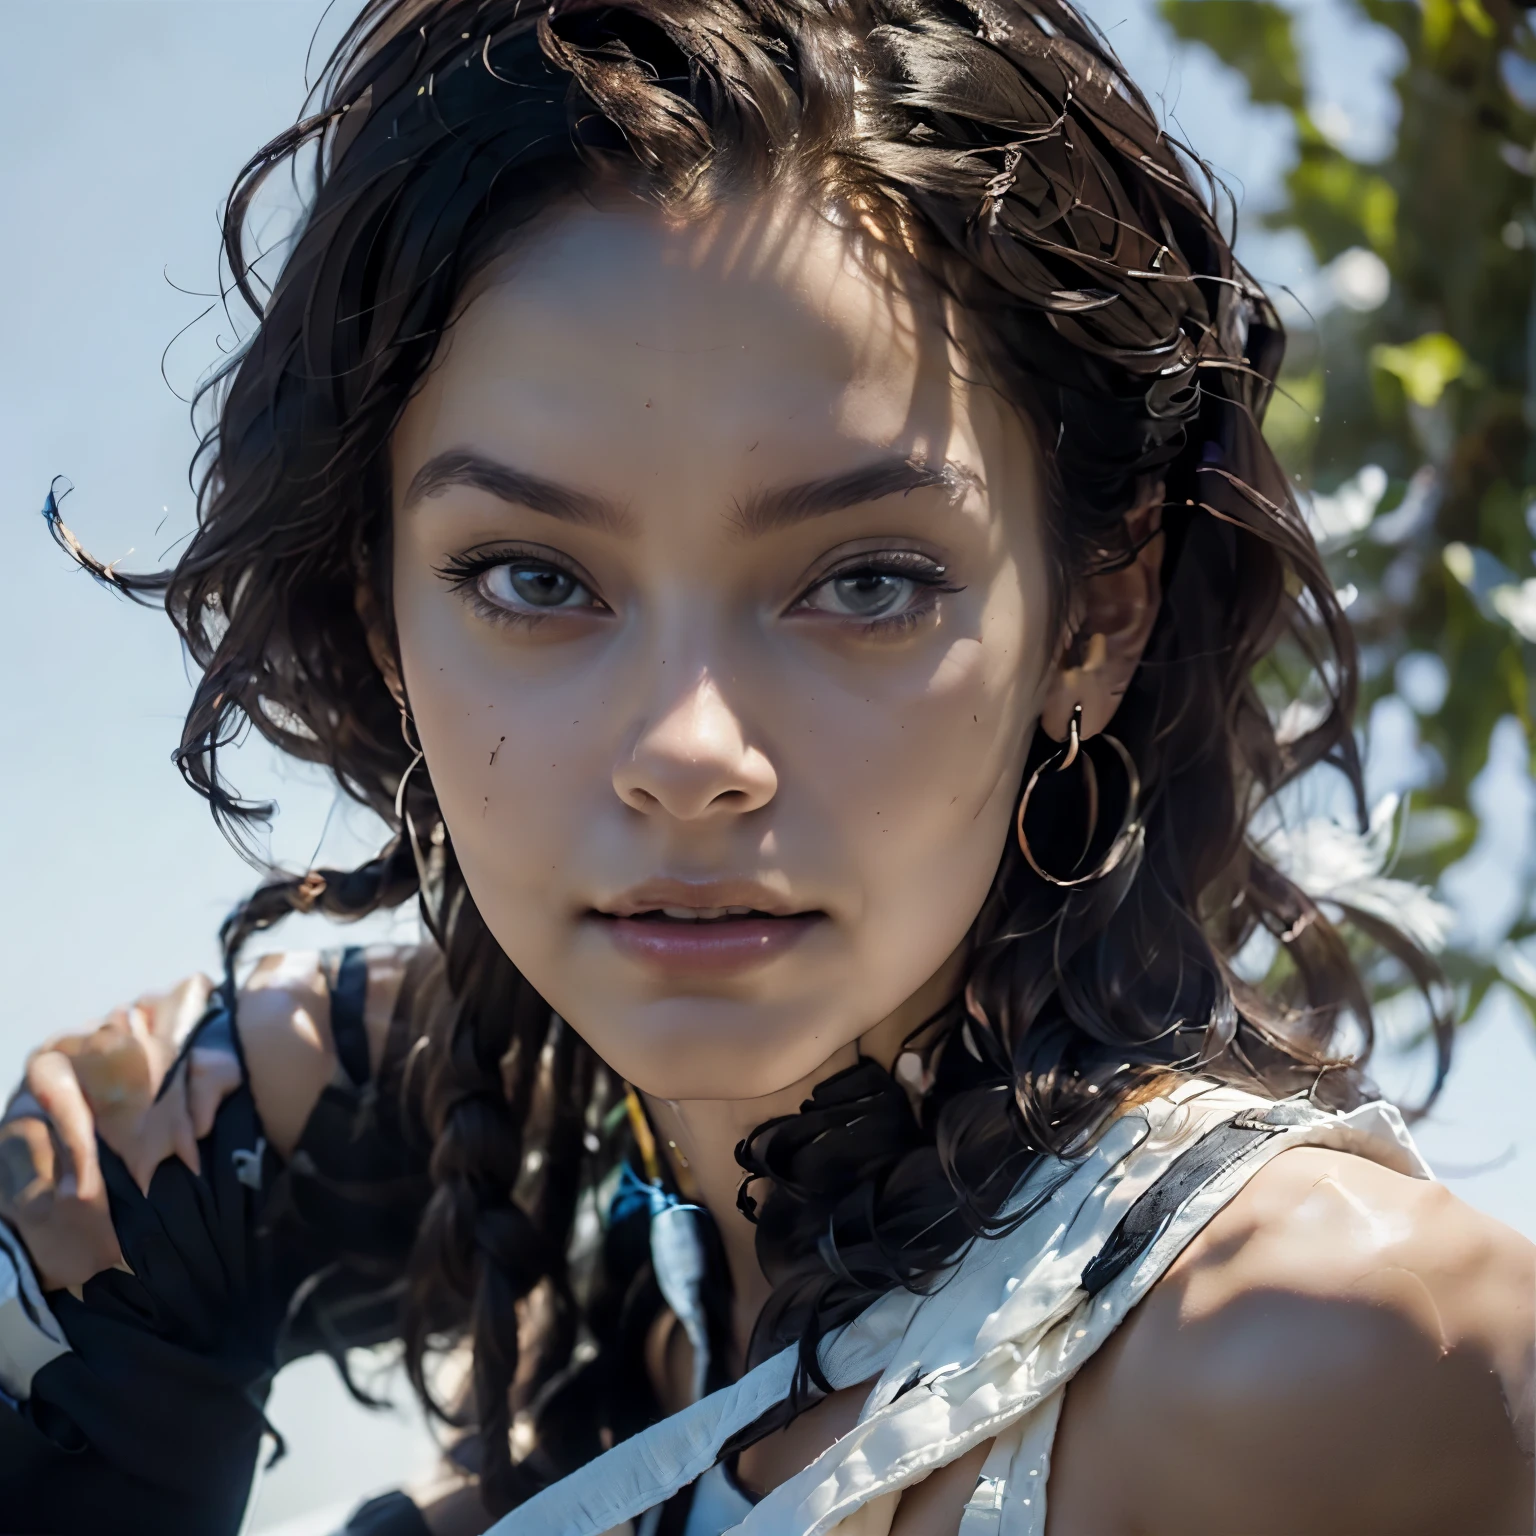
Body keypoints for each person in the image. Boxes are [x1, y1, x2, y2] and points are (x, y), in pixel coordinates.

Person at [0, 0, 1531, 1531]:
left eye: (866, 580)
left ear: (1097, 616)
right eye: (534, 578)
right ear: (380, 618)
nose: (690, 753)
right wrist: (199, 1141)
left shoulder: (1339, 1362)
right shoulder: (620, 1312)